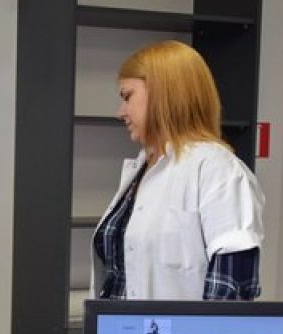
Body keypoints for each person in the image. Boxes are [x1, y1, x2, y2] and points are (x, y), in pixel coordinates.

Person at [90, 40, 264, 304]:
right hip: (118, 330)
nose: (120, 112)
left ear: (164, 94)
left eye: (127, 97)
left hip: (178, 333)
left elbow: (231, 292)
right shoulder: (143, 170)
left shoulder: (219, 170)